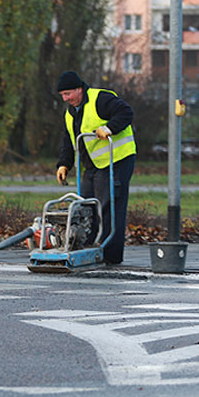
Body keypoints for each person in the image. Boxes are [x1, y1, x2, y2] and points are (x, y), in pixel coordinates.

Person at [55, 71, 136, 265]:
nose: (66, 99)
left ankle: (111, 257)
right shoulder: (70, 112)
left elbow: (126, 113)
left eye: (68, 94)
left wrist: (109, 128)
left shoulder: (100, 99)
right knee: (86, 208)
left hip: (117, 160)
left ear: (79, 89)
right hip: (92, 165)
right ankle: (87, 249)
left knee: (109, 207)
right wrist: (64, 164)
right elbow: (69, 140)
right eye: (63, 96)